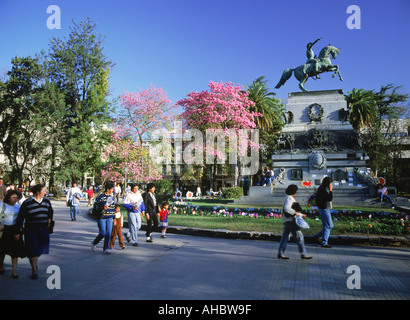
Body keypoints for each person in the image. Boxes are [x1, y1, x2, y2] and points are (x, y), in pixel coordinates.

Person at [16, 184, 54, 279]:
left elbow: (50, 211)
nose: (45, 192)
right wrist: (18, 232)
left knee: (41, 249)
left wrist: (49, 218)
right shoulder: (27, 203)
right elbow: (20, 218)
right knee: (32, 249)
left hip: (43, 229)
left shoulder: (46, 201)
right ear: (38, 192)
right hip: (31, 229)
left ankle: (34, 261)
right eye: (44, 191)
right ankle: (34, 270)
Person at [277, 184, 312, 260]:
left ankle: (281, 252)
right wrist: (297, 213)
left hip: (286, 220)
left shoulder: (287, 197)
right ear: (294, 191)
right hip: (290, 220)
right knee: (299, 236)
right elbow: (287, 208)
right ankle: (303, 253)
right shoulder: (290, 198)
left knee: (285, 237)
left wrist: (300, 214)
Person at [0, 190, 26, 278]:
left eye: (16, 197)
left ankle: (14, 271)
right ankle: (1, 266)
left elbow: (20, 220)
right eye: (13, 197)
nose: (15, 199)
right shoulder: (2, 206)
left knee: (15, 252)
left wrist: (19, 232)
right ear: (8, 198)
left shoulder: (18, 207)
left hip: (14, 229)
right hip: (3, 229)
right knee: (2, 251)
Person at [91, 182, 116, 254]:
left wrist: (114, 218)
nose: (112, 190)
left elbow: (113, 208)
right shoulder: (101, 197)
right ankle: (94, 243)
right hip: (102, 217)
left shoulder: (112, 197)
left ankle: (106, 248)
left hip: (110, 217)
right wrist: (102, 207)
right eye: (111, 189)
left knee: (108, 233)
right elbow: (95, 205)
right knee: (103, 232)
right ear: (108, 189)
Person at [314, 177, 334, 248]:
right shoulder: (323, 189)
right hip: (324, 209)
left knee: (329, 225)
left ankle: (317, 236)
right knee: (328, 225)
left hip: (325, 208)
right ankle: (324, 242)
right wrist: (331, 190)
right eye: (330, 183)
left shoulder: (323, 188)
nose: (331, 184)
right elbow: (330, 198)